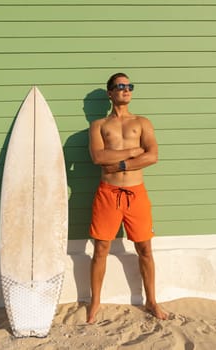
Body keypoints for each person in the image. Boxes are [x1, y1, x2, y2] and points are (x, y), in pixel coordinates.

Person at [87, 72, 168, 324]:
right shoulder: (98, 126)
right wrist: (134, 151)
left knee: (144, 248)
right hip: (108, 194)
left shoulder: (142, 122)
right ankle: (95, 302)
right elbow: (99, 158)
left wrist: (120, 163)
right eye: (120, 86)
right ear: (110, 93)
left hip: (136, 194)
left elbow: (152, 156)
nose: (126, 89)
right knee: (101, 248)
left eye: (129, 86)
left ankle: (151, 300)